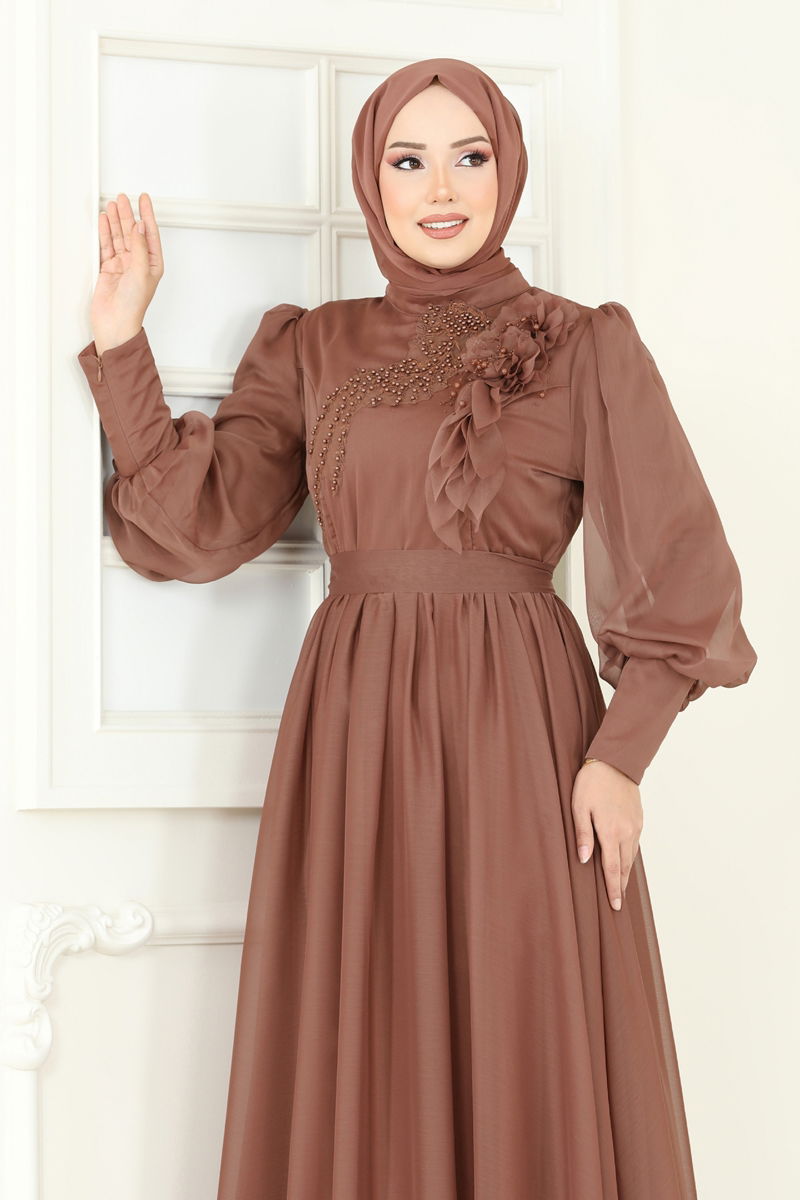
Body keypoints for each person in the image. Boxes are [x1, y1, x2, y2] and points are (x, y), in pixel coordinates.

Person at [77, 57, 756, 1200]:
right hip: (355, 747)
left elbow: (682, 565)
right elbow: (202, 523)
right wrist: (120, 344)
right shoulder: (314, 346)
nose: (439, 188)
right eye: (407, 160)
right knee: (369, 1045)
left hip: (522, 746)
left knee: (520, 1026)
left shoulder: (581, 344)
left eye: (467, 156)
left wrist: (620, 755)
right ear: (371, 180)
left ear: (506, 171)